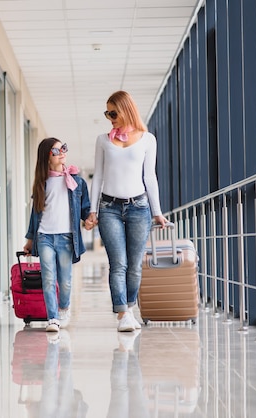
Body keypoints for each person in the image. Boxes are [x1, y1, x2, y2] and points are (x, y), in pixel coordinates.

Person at [85, 90, 168, 332]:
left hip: (139, 207)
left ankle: (129, 308)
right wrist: (93, 210)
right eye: (107, 113)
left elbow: (150, 177)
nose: (109, 117)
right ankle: (123, 313)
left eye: (113, 112)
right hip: (109, 207)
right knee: (118, 263)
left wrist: (157, 211)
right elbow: (98, 176)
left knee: (134, 264)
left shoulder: (147, 139)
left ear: (126, 110)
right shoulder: (103, 140)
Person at [23, 138, 91, 332]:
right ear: (46, 156)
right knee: (48, 278)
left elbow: (85, 207)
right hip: (44, 236)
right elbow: (35, 214)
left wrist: (89, 220)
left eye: (64, 148)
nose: (62, 152)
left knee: (66, 280)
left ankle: (64, 308)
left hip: (67, 237)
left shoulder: (76, 181)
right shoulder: (42, 183)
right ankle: (52, 318)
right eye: (56, 150)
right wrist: (29, 240)